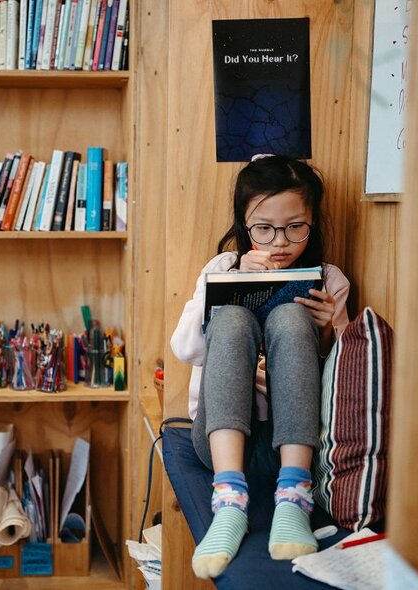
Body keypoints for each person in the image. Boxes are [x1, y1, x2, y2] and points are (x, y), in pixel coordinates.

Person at [170, 154, 350, 579]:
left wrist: (336, 327)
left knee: (291, 316)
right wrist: (227, 289)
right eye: (263, 229)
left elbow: (348, 384)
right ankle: (229, 502)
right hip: (220, 443)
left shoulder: (330, 280)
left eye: (295, 227)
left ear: (313, 222)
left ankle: (294, 497)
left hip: (298, 445)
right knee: (231, 318)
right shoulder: (221, 268)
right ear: (244, 225)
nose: (280, 242)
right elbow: (183, 348)